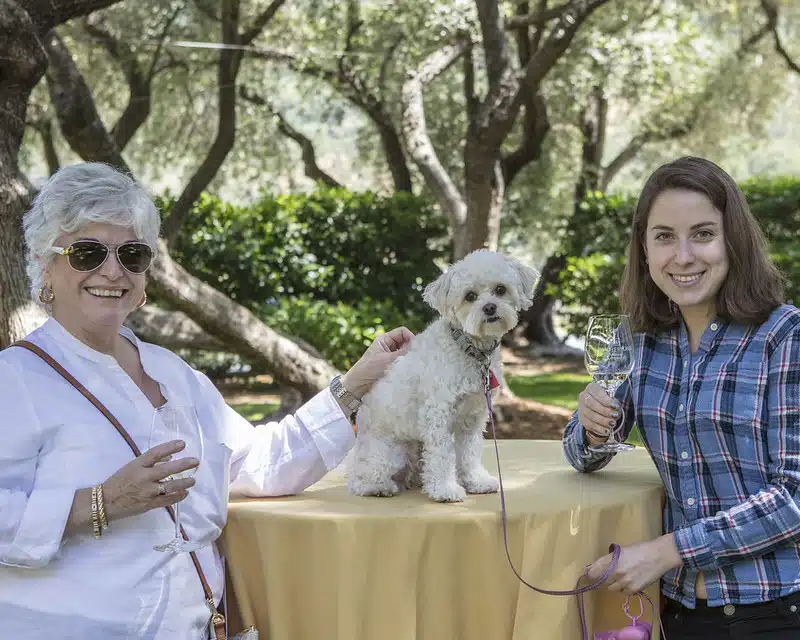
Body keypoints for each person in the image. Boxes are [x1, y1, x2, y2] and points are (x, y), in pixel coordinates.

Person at [0, 162, 413, 638]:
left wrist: (357, 383)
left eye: (132, 254)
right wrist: (101, 502)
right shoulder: (16, 380)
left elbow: (263, 461)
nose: (112, 270)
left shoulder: (174, 374)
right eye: (88, 252)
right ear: (44, 263)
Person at [562, 156, 800, 638]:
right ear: (645, 249)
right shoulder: (637, 339)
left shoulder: (785, 336)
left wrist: (668, 551)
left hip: (776, 610)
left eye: (704, 234)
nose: (683, 255)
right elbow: (582, 452)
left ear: (733, 241)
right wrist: (588, 427)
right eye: (665, 236)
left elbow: (794, 496)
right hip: (678, 612)